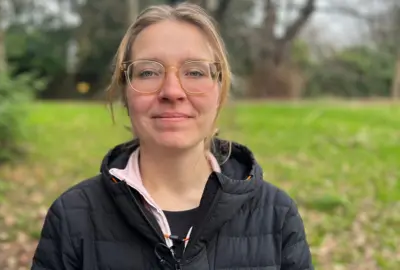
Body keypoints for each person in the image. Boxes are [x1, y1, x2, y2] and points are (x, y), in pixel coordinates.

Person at [31, 2, 313, 270]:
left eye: (194, 71)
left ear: (220, 92)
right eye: (149, 72)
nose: (172, 91)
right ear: (125, 94)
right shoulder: (73, 216)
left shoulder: (276, 214)